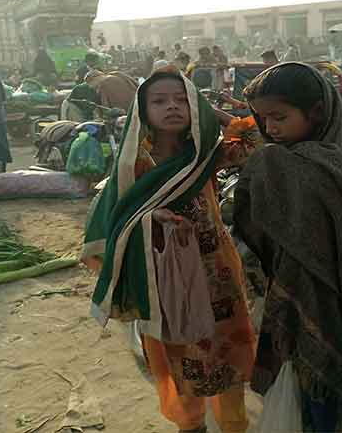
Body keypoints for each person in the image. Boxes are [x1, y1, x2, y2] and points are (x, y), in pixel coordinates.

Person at [81, 65, 259, 433]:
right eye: (159, 101)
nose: (172, 107)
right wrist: (150, 217)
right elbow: (117, 219)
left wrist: (214, 112)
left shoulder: (205, 152)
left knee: (226, 351)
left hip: (216, 271)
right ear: (142, 111)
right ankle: (190, 425)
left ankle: (233, 426)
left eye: (182, 99)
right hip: (165, 274)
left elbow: (256, 140)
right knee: (179, 353)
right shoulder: (135, 163)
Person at [234, 63, 342, 432]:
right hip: (319, 292)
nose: (271, 129)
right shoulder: (333, 160)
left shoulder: (290, 163)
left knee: (318, 390)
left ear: (316, 112)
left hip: (317, 292)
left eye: (280, 117)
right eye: (263, 119)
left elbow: (255, 222)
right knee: (313, 389)